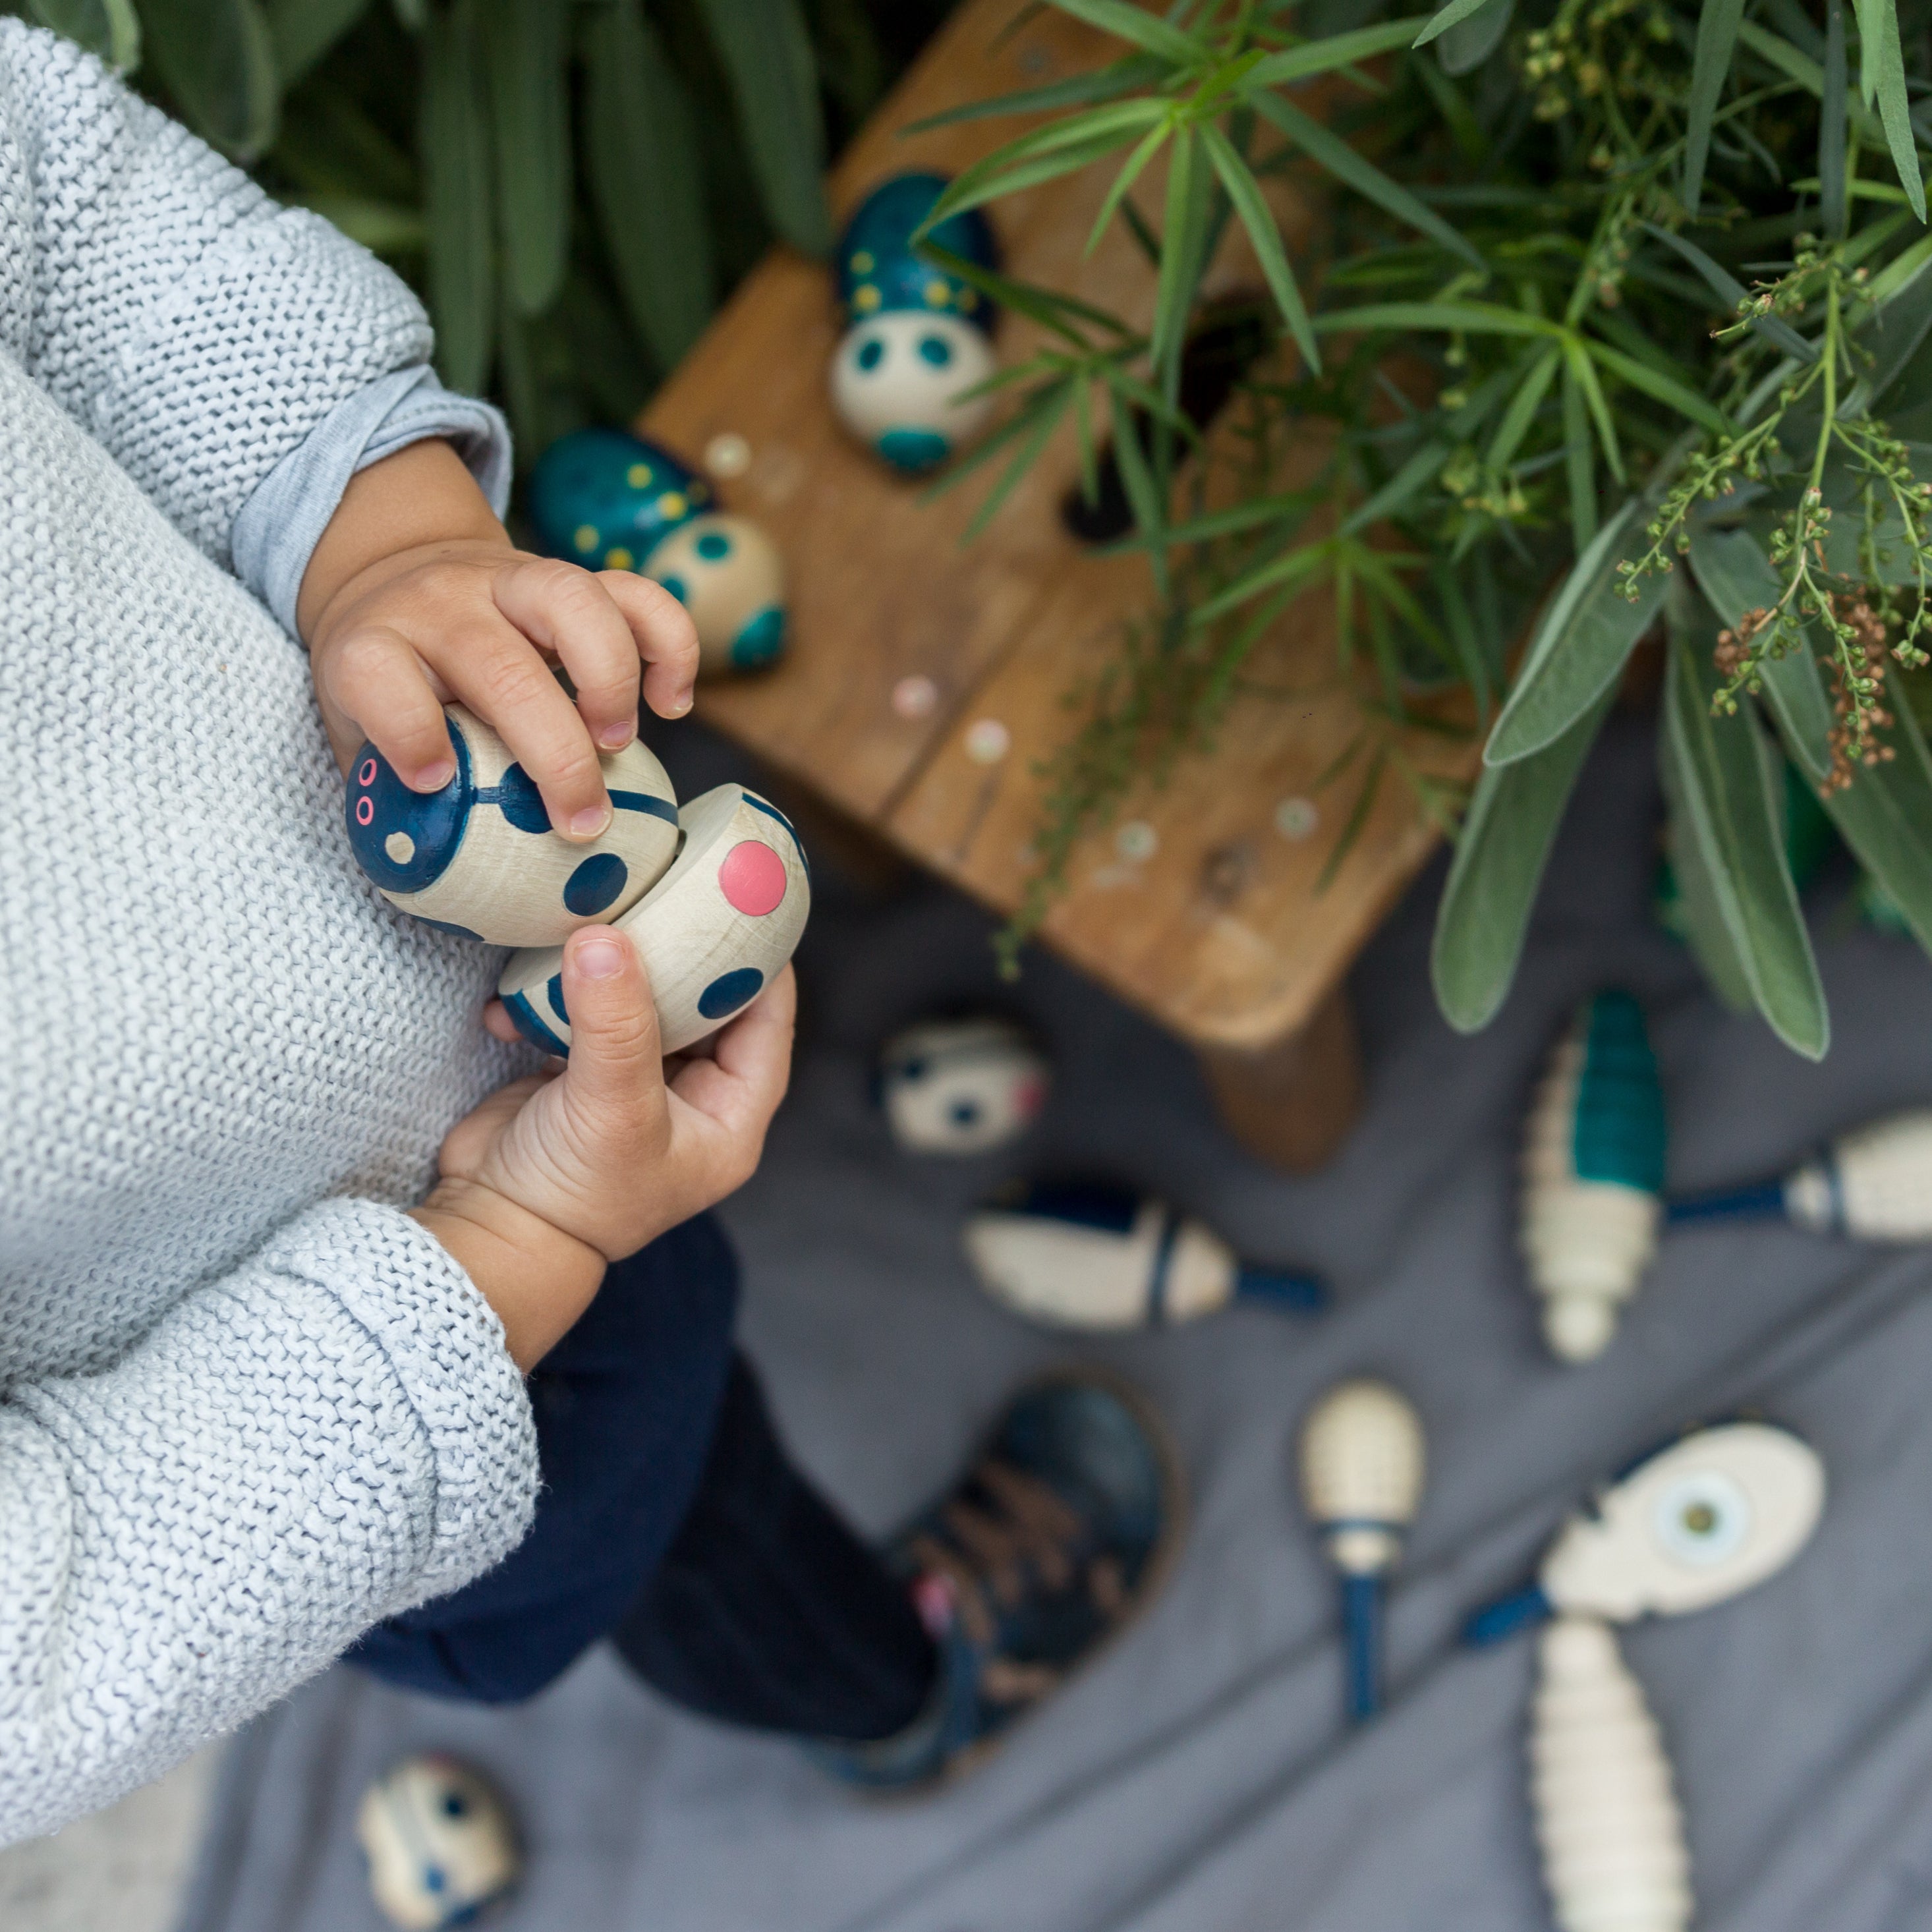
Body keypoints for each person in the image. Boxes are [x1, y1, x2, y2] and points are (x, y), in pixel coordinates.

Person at [0, 18, 1178, 1848]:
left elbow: (57, 205)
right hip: (409, 1351)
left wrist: (371, 536)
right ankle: (884, 1679)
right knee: (689, 1501)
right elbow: (42, 1632)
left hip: (505, 993)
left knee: (692, 1306)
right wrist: (519, 1244)